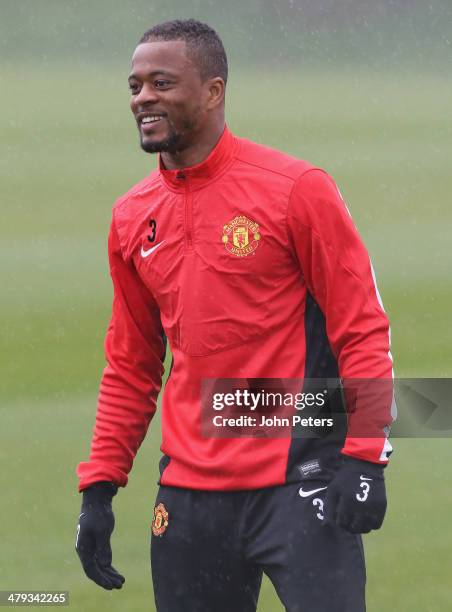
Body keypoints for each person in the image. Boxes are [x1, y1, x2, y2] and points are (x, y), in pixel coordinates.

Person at [75, 19, 395, 612]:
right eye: (135, 85)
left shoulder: (296, 189)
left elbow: (363, 329)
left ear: (214, 91)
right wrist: (99, 486)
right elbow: (132, 365)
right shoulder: (130, 217)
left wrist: (365, 456)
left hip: (302, 483)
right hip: (189, 500)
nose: (143, 97)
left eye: (162, 82)